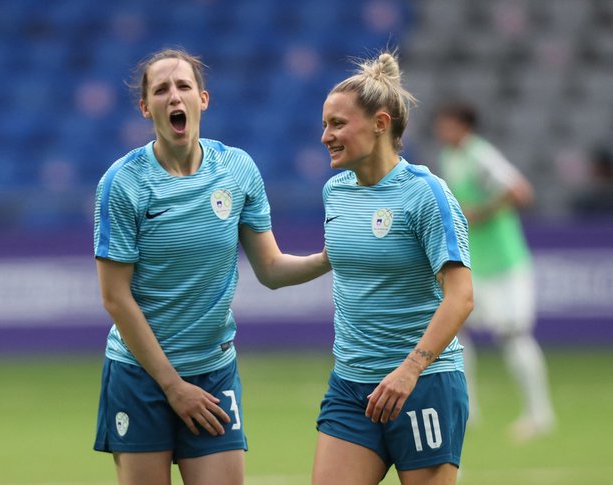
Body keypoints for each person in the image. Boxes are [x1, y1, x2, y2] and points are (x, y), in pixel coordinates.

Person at [92, 48, 330, 485]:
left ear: (203, 99)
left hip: (213, 371)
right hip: (142, 376)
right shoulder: (122, 183)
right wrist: (172, 386)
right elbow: (115, 297)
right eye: (161, 89)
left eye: (183, 86)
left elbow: (272, 269)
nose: (173, 96)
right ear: (146, 107)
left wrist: (330, 258)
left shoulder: (237, 170)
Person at [312, 51, 474, 485]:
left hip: (422, 386)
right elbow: (337, 260)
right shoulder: (335, 192)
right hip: (350, 387)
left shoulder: (426, 194)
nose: (325, 135)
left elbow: (461, 297)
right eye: (325, 124)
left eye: (338, 124)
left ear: (381, 124)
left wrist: (409, 369)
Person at [434, 102, 556, 442]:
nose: (440, 130)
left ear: (462, 124)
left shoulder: (480, 156)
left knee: (513, 333)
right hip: (479, 263)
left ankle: (539, 413)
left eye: (446, 123)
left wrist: (481, 213)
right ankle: (467, 409)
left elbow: (520, 192)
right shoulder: (451, 157)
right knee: (457, 330)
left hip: (506, 263)